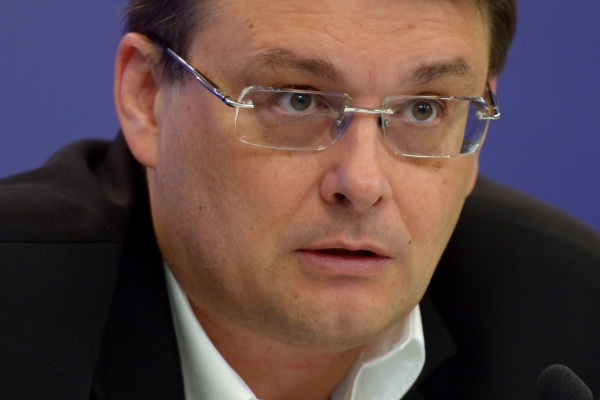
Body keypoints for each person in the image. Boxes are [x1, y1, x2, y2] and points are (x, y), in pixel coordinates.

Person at [1, 1, 599, 399]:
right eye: (297, 100)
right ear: (147, 97)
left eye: (424, 109)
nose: (362, 183)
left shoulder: (576, 317)